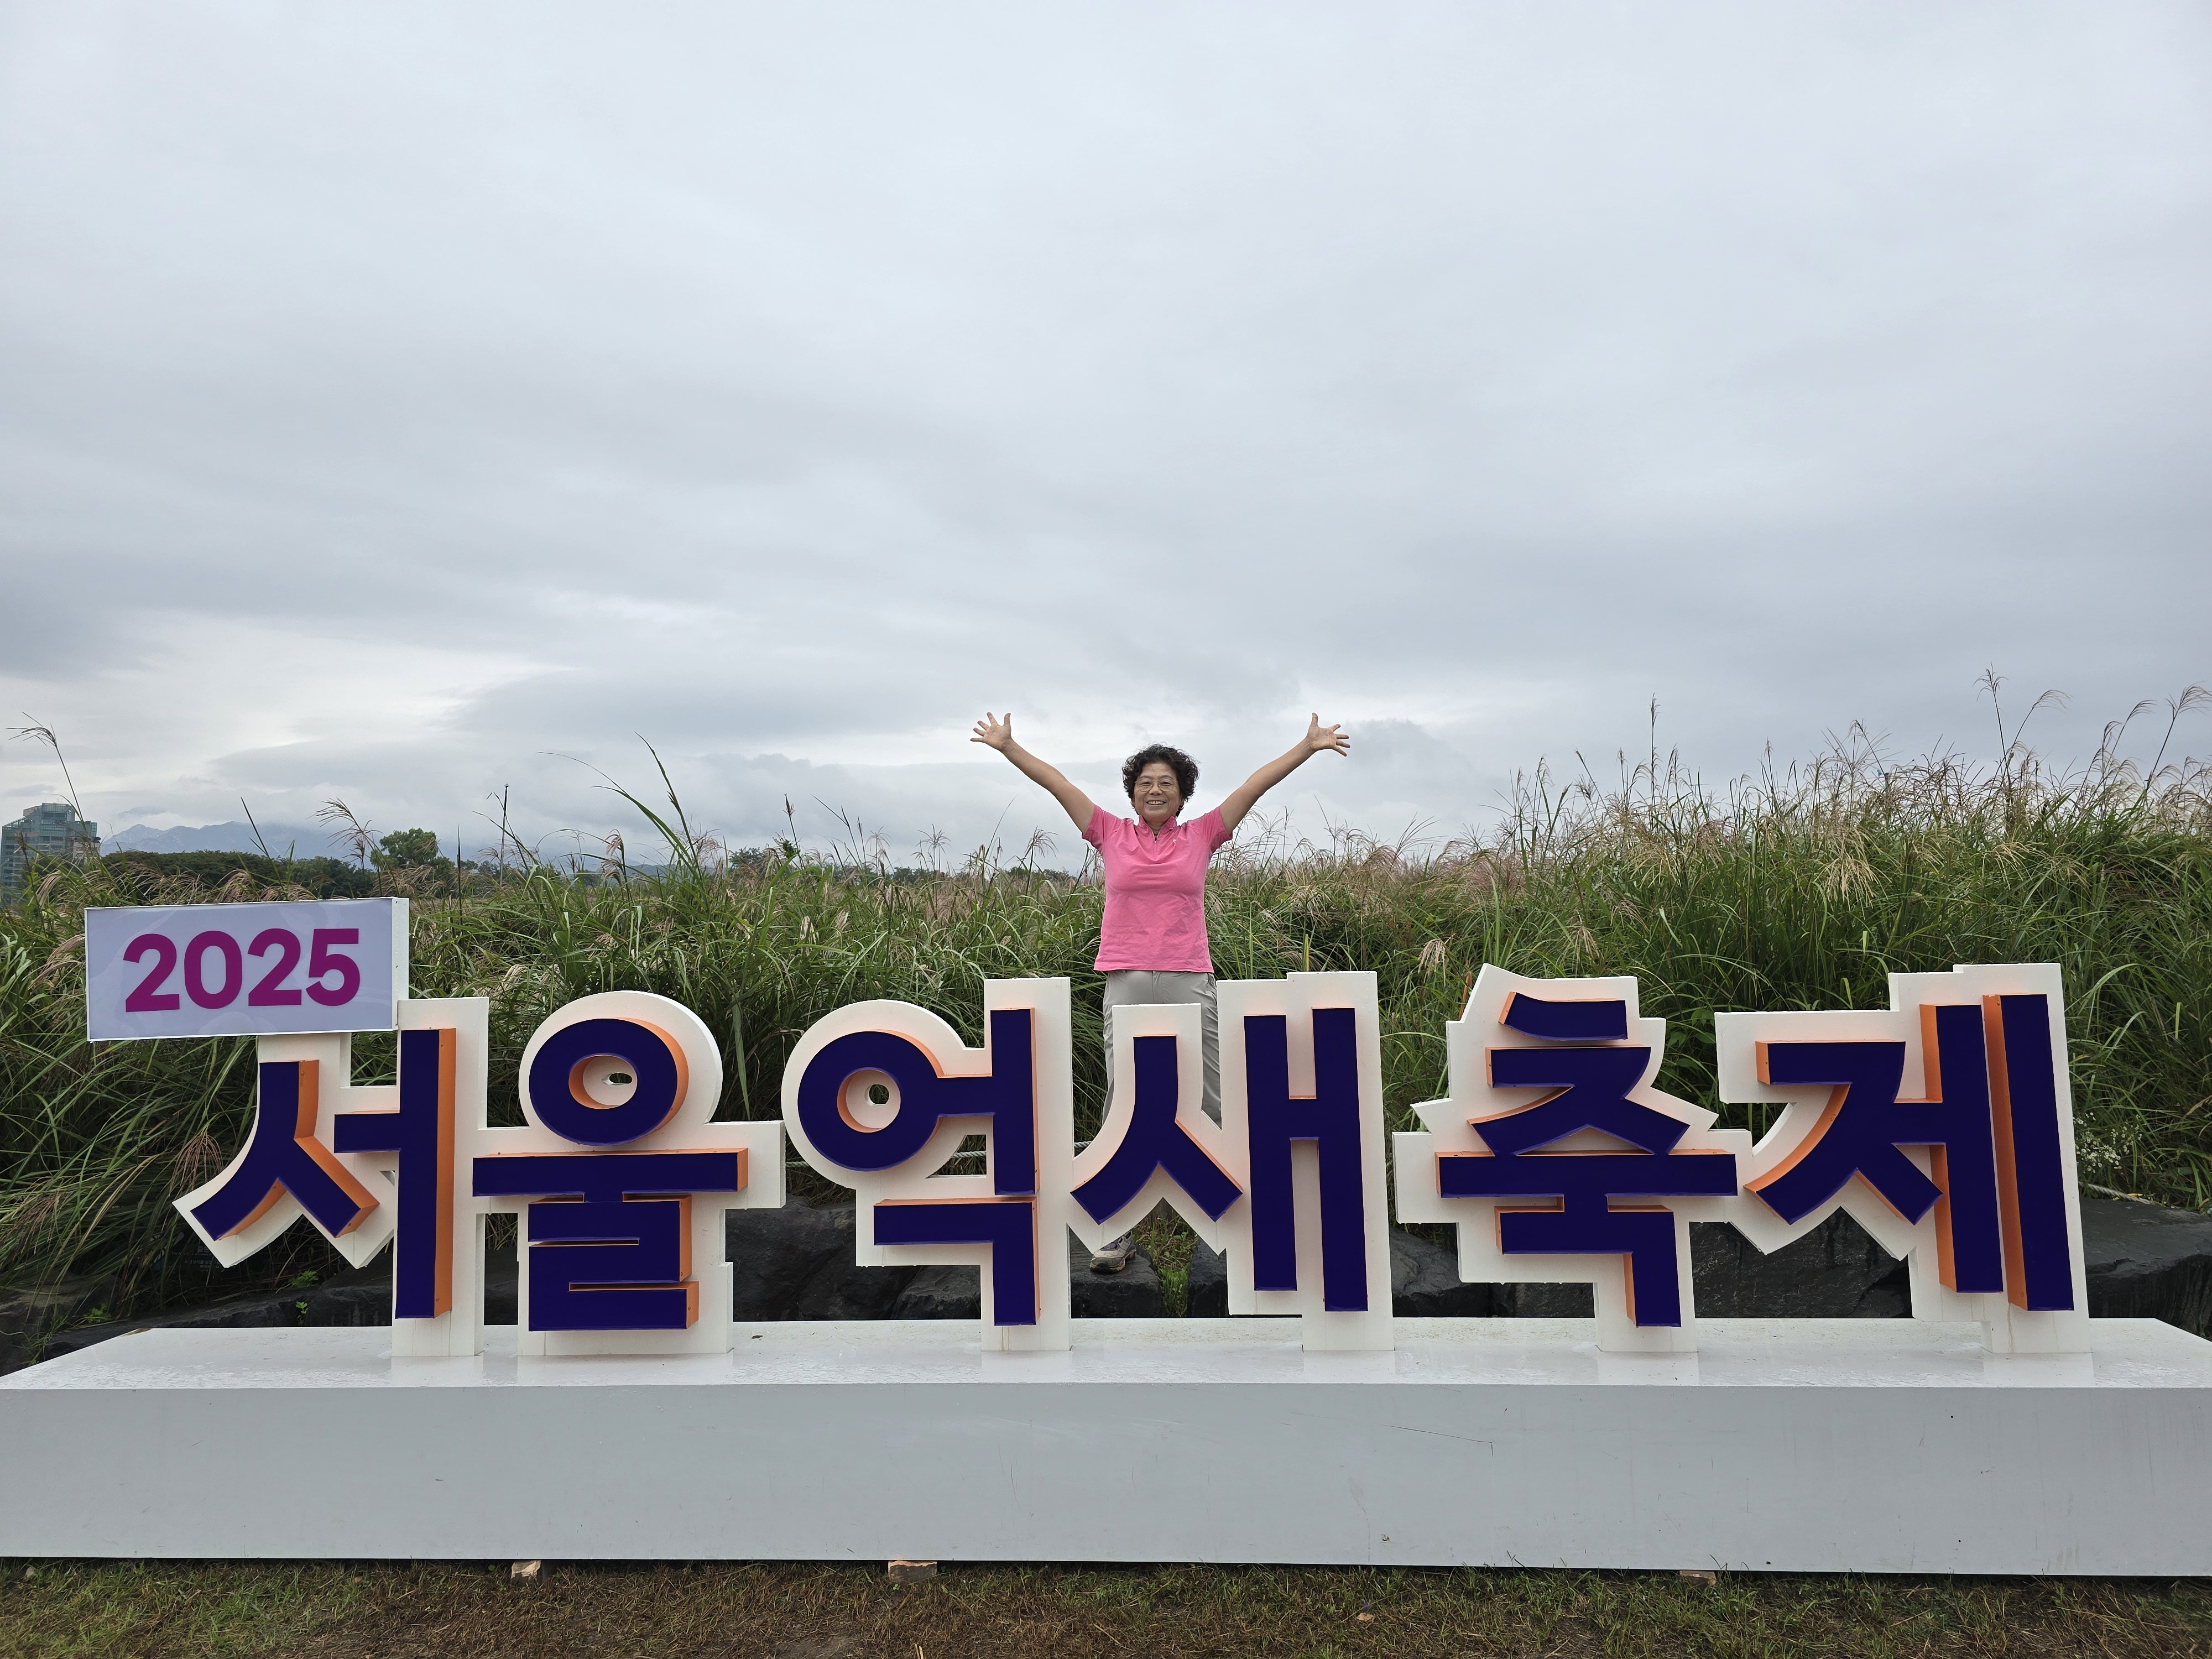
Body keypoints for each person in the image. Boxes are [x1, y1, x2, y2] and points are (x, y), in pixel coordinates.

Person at [969, 710, 1351, 1269]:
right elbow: (1058, 784)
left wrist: (1307, 746)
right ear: (1132, 793)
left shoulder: (1203, 834)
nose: (1155, 790)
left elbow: (1254, 786)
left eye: (1166, 783)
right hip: (1124, 978)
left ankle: (1246, 1219)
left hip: (1188, 977)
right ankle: (1113, 1230)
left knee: (1211, 1096)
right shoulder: (1108, 832)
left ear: (1182, 794)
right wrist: (1008, 747)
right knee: (1122, 1100)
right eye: (1145, 782)